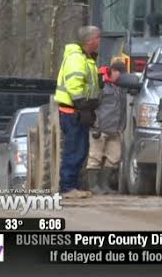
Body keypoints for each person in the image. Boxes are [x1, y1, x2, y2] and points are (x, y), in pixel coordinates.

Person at [54, 25, 101, 199]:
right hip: (73, 111)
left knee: (81, 149)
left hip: (78, 110)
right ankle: (67, 187)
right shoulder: (76, 58)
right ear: (89, 40)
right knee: (74, 149)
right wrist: (83, 105)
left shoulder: (85, 58)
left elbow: (88, 83)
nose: (99, 40)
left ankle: (73, 186)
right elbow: (74, 84)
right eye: (98, 37)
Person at [86, 59, 127, 195]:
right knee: (95, 157)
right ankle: (93, 186)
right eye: (120, 74)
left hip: (114, 130)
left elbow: (122, 109)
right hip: (100, 129)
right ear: (114, 71)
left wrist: (121, 128)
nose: (121, 77)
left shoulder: (120, 87)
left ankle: (105, 185)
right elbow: (94, 106)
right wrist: (96, 126)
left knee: (114, 157)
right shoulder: (101, 85)